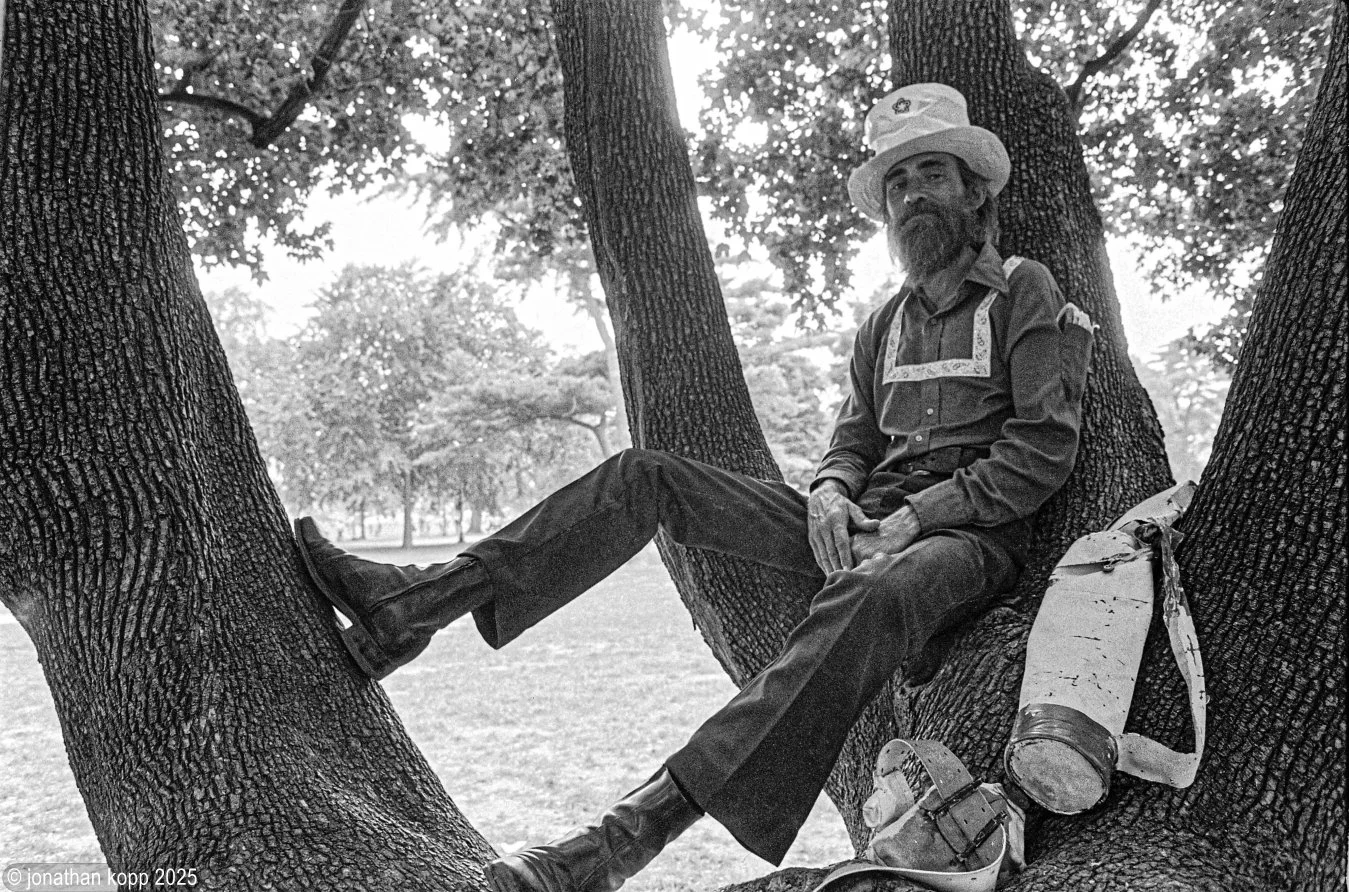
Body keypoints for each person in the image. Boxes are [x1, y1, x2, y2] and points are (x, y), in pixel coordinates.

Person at [293, 82, 1094, 892]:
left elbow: (1040, 451)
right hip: (864, 523)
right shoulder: (880, 325)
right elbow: (850, 443)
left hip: (965, 543)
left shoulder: (1024, 289)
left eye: (930, 173)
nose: (912, 195)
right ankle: (413, 607)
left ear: (974, 191)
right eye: (896, 182)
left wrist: (916, 518)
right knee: (647, 474)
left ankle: (615, 843)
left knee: (873, 594)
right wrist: (826, 493)